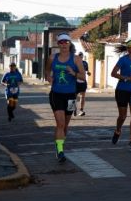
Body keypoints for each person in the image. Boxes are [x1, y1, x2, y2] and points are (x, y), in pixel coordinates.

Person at [45, 33, 85, 163]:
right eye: (61, 42)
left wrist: (73, 73)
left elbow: (83, 77)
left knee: (65, 125)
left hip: (70, 95)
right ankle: (60, 151)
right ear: (58, 44)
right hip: (56, 94)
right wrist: (49, 78)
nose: (63, 44)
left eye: (66, 42)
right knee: (60, 123)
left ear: (70, 44)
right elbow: (46, 71)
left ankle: (59, 143)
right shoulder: (52, 57)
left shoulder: (76, 59)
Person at [74, 52, 91, 116]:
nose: (80, 58)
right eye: (79, 56)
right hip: (75, 82)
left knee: (83, 96)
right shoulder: (74, 63)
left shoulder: (85, 63)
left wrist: (88, 73)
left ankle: (81, 110)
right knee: (73, 97)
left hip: (83, 82)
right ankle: (72, 110)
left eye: (81, 57)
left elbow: (86, 71)